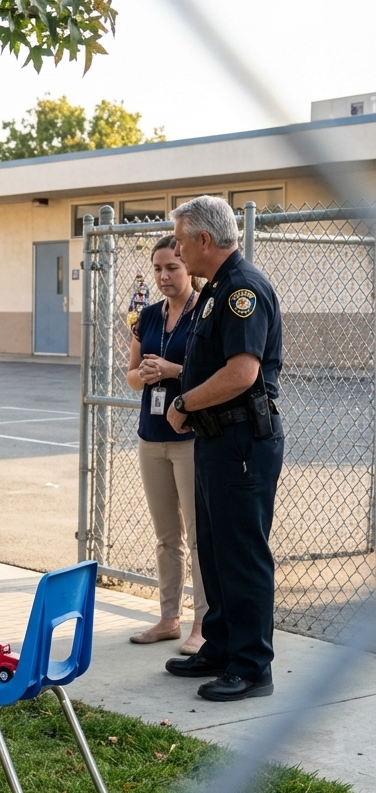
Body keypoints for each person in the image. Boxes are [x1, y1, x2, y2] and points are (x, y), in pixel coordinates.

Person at [165, 196, 284, 702]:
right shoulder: (215, 289)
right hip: (217, 441)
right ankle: (219, 646)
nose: (177, 248)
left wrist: (185, 402)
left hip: (240, 441)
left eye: (181, 239)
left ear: (204, 240)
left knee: (241, 555)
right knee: (213, 551)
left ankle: (253, 667)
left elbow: (242, 373)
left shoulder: (242, 290)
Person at [125, 237, 206, 655]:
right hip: (151, 436)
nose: (164, 276)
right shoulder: (149, 316)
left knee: (198, 536)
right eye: (158, 268)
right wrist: (147, 373)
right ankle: (168, 618)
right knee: (165, 536)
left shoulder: (204, 311)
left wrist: (173, 369)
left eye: (172, 267)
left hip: (189, 437)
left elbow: (212, 369)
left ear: (187, 266)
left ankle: (202, 625)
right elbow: (132, 376)